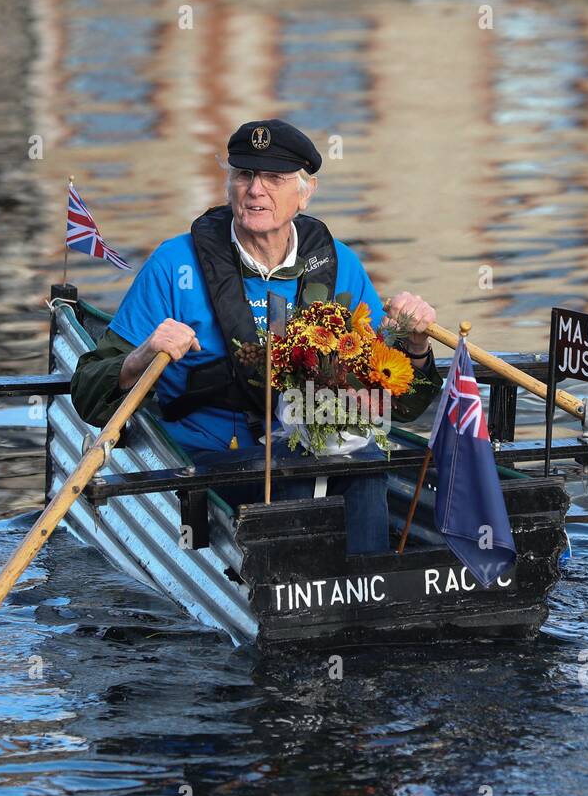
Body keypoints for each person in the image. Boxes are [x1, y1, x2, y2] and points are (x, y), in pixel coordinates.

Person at [72, 118, 442, 553]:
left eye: (274, 178)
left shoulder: (340, 265)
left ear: (305, 192)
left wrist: (415, 346)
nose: (255, 190)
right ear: (229, 185)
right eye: (244, 174)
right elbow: (86, 393)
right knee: (289, 471)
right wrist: (144, 354)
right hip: (212, 459)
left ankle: (367, 585)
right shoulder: (175, 264)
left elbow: (399, 407)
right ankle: (293, 592)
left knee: (365, 464)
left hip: (318, 451)